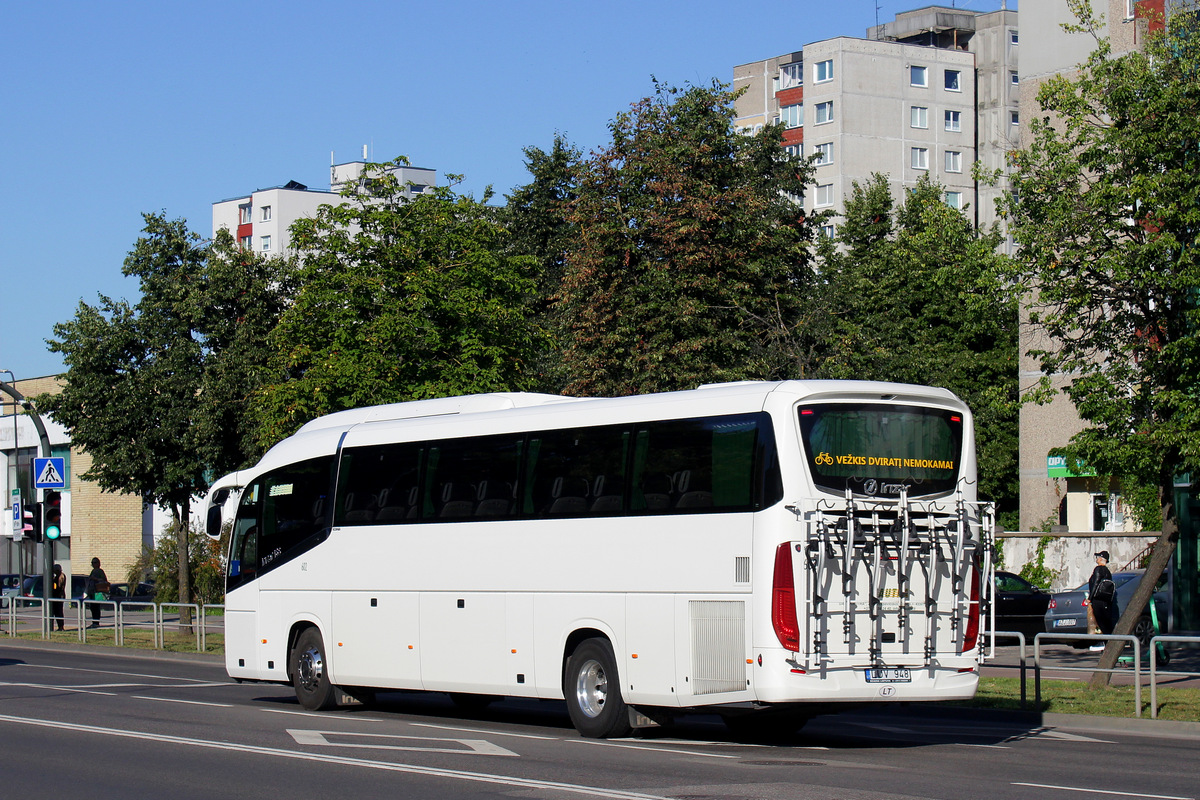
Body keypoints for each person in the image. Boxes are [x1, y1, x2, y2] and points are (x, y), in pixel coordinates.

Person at [1088, 550, 1115, 650]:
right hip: (1106, 600)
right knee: (1106, 622)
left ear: (1101, 559)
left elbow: (1095, 583)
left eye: (1098, 557)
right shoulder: (1107, 571)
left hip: (1098, 599)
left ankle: (1106, 643)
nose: (1097, 559)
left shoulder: (1098, 569)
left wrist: (1090, 598)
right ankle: (1109, 643)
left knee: (1101, 622)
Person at [85, 557, 108, 629]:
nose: (93, 564)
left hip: (97, 592)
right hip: (92, 592)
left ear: (98, 563)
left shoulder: (100, 571)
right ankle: (94, 622)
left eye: (95, 562)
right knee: (92, 607)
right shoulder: (93, 571)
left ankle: (96, 622)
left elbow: (104, 580)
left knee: (96, 608)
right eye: (92, 563)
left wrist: (95, 579)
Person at [50, 563, 66, 632]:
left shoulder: (61, 577)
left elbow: (58, 586)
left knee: (59, 611)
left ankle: (61, 626)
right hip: (57, 596)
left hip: (59, 596)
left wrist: (54, 580)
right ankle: (59, 626)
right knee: (55, 612)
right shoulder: (57, 577)